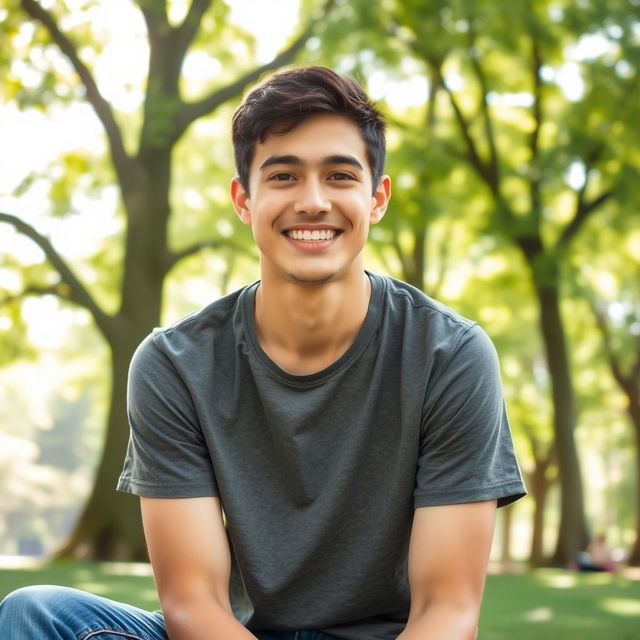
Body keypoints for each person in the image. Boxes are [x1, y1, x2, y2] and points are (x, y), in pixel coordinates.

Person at [0, 65, 526, 640]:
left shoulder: (450, 355)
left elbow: (445, 613)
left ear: (376, 199)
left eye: (340, 175)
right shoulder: (174, 364)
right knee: (34, 613)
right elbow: (194, 602)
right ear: (244, 200)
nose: (313, 201)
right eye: (282, 176)